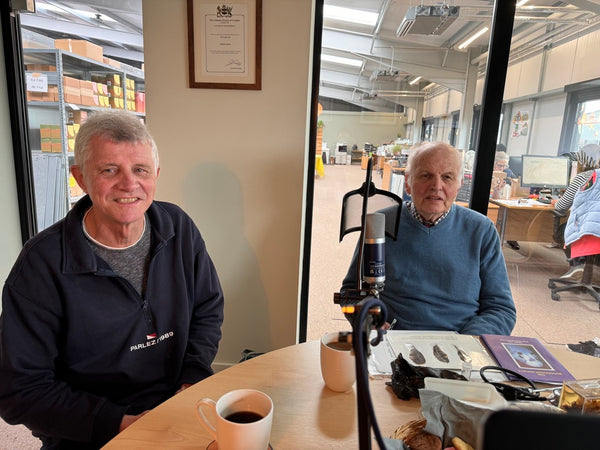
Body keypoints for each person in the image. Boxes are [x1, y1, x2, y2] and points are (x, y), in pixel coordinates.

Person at [0, 110, 225, 449]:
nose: (129, 184)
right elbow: (19, 389)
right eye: (109, 170)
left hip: (175, 408)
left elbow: (207, 307)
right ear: (80, 178)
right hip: (88, 432)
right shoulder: (40, 265)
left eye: (140, 170)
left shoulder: (179, 228)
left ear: (156, 175)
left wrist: (192, 378)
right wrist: (118, 422)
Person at [340, 142, 516, 335]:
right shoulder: (380, 223)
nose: (436, 186)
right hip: (394, 340)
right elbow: (351, 293)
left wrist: (468, 343)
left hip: (462, 345)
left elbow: (501, 309)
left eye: (447, 177)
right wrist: (366, 318)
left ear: (459, 185)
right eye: (426, 175)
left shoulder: (481, 230)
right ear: (407, 181)